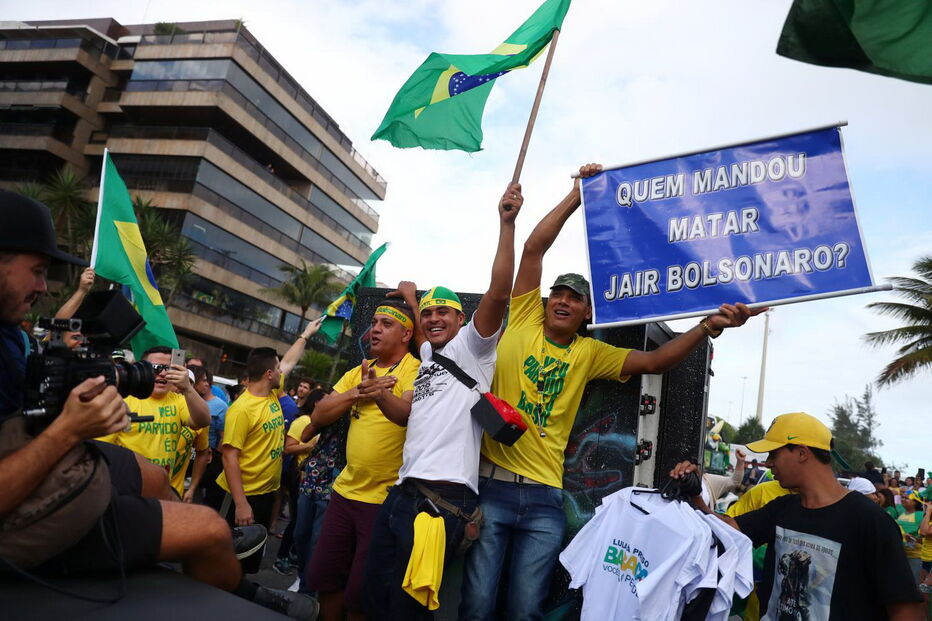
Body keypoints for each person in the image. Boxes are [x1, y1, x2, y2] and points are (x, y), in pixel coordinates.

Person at [460, 164, 764, 621]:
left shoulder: (588, 353)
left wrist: (706, 326)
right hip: (493, 487)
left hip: (545, 498)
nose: (562, 300)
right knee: (477, 604)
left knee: (525, 609)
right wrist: (576, 195)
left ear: (586, 314)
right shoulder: (522, 318)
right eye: (557, 293)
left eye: (574, 298)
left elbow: (656, 362)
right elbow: (533, 248)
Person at [0, 190, 315, 618]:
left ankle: (196, 551)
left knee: (151, 476)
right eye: (36, 271)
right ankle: (233, 587)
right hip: (23, 515)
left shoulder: (10, 332)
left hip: (50, 465)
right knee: (206, 527)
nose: (42, 286)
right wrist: (68, 430)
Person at [364, 181, 523, 620]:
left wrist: (505, 224)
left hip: (441, 501)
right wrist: (379, 394)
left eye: (443, 313)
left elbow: (497, 293)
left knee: (408, 610)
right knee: (375, 597)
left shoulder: (474, 348)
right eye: (429, 313)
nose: (433, 319)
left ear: (461, 318)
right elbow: (404, 415)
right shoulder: (430, 357)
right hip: (402, 493)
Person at [670, 412, 923, 620]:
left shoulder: (870, 521)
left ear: (802, 453)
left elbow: (906, 611)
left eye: (774, 454)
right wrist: (696, 496)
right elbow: (727, 530)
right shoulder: (782, 508)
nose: (768, 463)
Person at [305, 296, 420, 621]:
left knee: (361, 593)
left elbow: (405, 413)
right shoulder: (359, 372)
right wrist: (359, 390)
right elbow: (319, 413)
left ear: (406, 334)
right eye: (374, 323)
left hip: (384, 501)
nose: (375, 330)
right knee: (327, 579)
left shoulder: (415, 370)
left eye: (387, 324)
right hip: (343, 493)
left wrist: (381, 393)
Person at [216, 320, 320, 572]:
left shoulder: (272, 393)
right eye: (277, 368)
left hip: (264, 494)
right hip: (240, 496)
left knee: (249, 561)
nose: (282, 371)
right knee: (226, 559)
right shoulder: (242, 409)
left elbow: (289, 362)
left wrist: (305, 334)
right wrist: (241, 503)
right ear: (268, 374)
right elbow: (229, 457)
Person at [97, 345, 210, 491]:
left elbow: (203, 420)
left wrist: (188, 388)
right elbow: (102, 450)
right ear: (142, 368)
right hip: (124, 488)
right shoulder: (123, 399)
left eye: (168, 368)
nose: (162, 373)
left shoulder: (178, 400)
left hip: (161, 490)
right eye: (155, 367)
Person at [293, 389, 344, 594]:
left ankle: (308, 589)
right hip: (313, 477)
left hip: (334, 483)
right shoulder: (335, 406)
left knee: (317, 541)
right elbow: (305, 435)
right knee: (301, 534)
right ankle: (303, 578)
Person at [898, 491, 924, 582]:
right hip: (903, 554)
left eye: (906, 498)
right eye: (902, 497)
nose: (903, 499)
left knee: (915, 582)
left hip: (916, 556)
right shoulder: (902, 513)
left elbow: (923, 535)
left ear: (915, 501)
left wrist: (913, 539)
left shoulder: (920, 515)